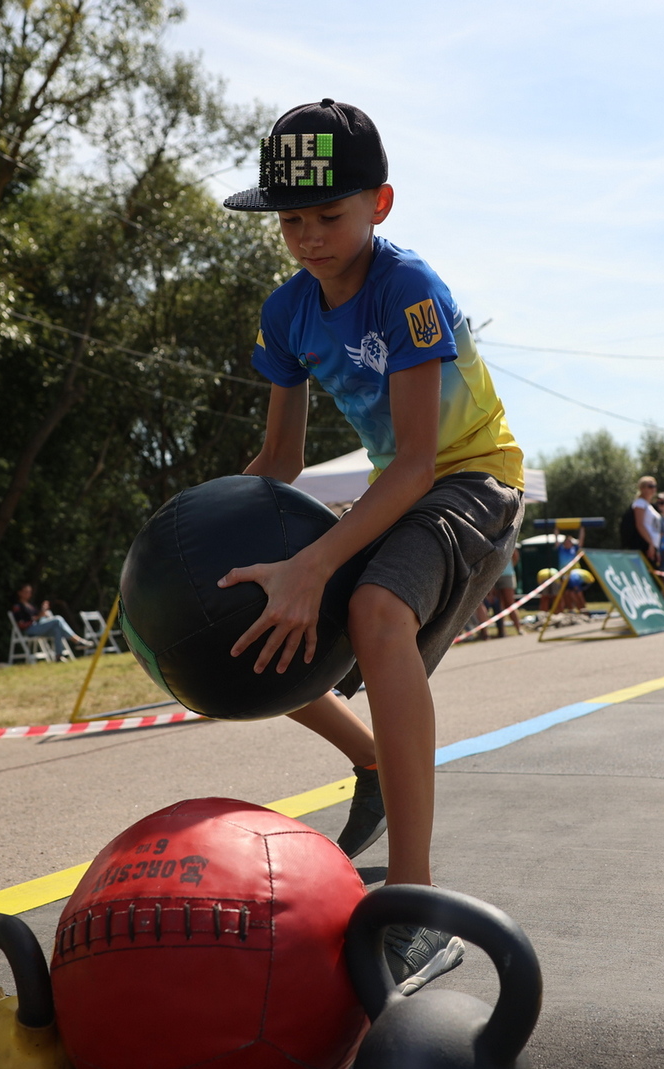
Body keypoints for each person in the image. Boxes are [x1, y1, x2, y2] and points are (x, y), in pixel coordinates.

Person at [220, 100, 525, 984]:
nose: (310, 236)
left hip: (472, 478)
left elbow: (421, 461)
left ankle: (419, 904)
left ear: (379, 205)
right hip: (404, 485)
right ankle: (370, 761)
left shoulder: (409, 290)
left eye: (330, 215)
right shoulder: (288, 313)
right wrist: (196, 539)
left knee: (375, 606)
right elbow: (279, 458)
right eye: (291, 220)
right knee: (252, 610)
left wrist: (317, 564)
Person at [11, 584, 86, 661]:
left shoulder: (30, 605)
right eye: (26, 592)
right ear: (20, 593)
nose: (29, 594)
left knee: (57, 629)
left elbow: (38, 616)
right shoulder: (18, 606)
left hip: (38, 627)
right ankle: (77, 640)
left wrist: (43, 611)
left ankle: (58, 656)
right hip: (30, 629)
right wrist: (39, 617)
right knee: (58, 619)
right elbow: (22, 623)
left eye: (30, 592)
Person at [629, 476, 663, 565]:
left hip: (653, 546)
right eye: (650, 486)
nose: (653, 489)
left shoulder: (649, 505)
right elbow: (639, 525)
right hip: (645, 545)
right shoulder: (640, 503)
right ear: (642, 488)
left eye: (654, 486)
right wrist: (650, 544)